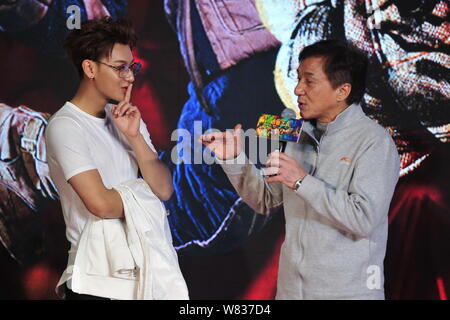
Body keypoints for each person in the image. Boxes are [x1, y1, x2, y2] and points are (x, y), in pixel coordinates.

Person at [201, 39, 401, 299]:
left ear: (342, 91)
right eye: (298, 79)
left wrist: (301, 182)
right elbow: (265, 200)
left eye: (309, 81)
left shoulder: (375, 142)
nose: (297, 89)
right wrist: (234, 160)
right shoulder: (294, 133)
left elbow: (363, 219)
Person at [45, 17, 174, 300]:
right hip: (95, 282)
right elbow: (101, 204)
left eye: (132, 67)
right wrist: (144, 193)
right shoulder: (66, 126)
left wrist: (135, 137)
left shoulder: (127, 119)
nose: (130, 77)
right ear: (90, 68)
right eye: (120, 68)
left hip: (139, 277)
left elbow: (164, 189)